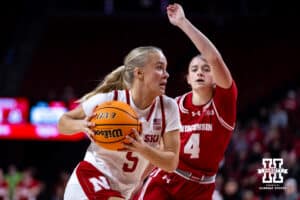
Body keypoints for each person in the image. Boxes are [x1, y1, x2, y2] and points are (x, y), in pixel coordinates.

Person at [134, 3, 237, 200]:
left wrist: (182, 22)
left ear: (215, 77)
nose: (200, 72)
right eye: (194, 69)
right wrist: (139, 179)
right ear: (188, 79)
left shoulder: (224, 105)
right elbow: (161, 150)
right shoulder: (173, 106)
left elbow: (214, 58)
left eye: (205, 70)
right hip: (167, 179)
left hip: (200, 188)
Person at [58, 46, 181, 200]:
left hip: (124, 191)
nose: (166, 75)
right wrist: (81, 125)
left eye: (166, 69)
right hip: (91, 177)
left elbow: (171, 163)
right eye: (159, 68)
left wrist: (143, 149)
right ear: (139, 73)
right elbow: (63, 122)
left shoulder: (168, 108)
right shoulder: (111, 100)